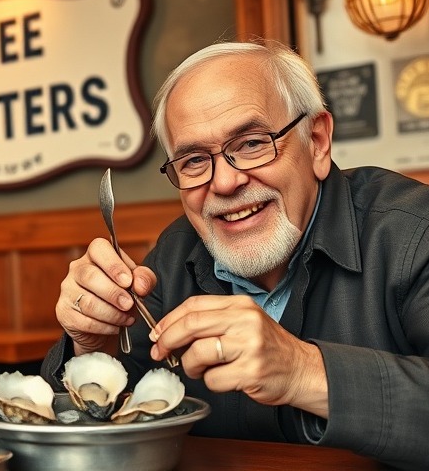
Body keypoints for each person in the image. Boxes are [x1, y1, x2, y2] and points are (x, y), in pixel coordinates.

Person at [42, 41, 429, 470]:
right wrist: (92, 348)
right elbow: (91, 431)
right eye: (192, 160)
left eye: (250, 144)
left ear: (317, 142)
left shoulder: (413, 233)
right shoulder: (173, 257)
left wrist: (303, 370)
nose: (224, 182)